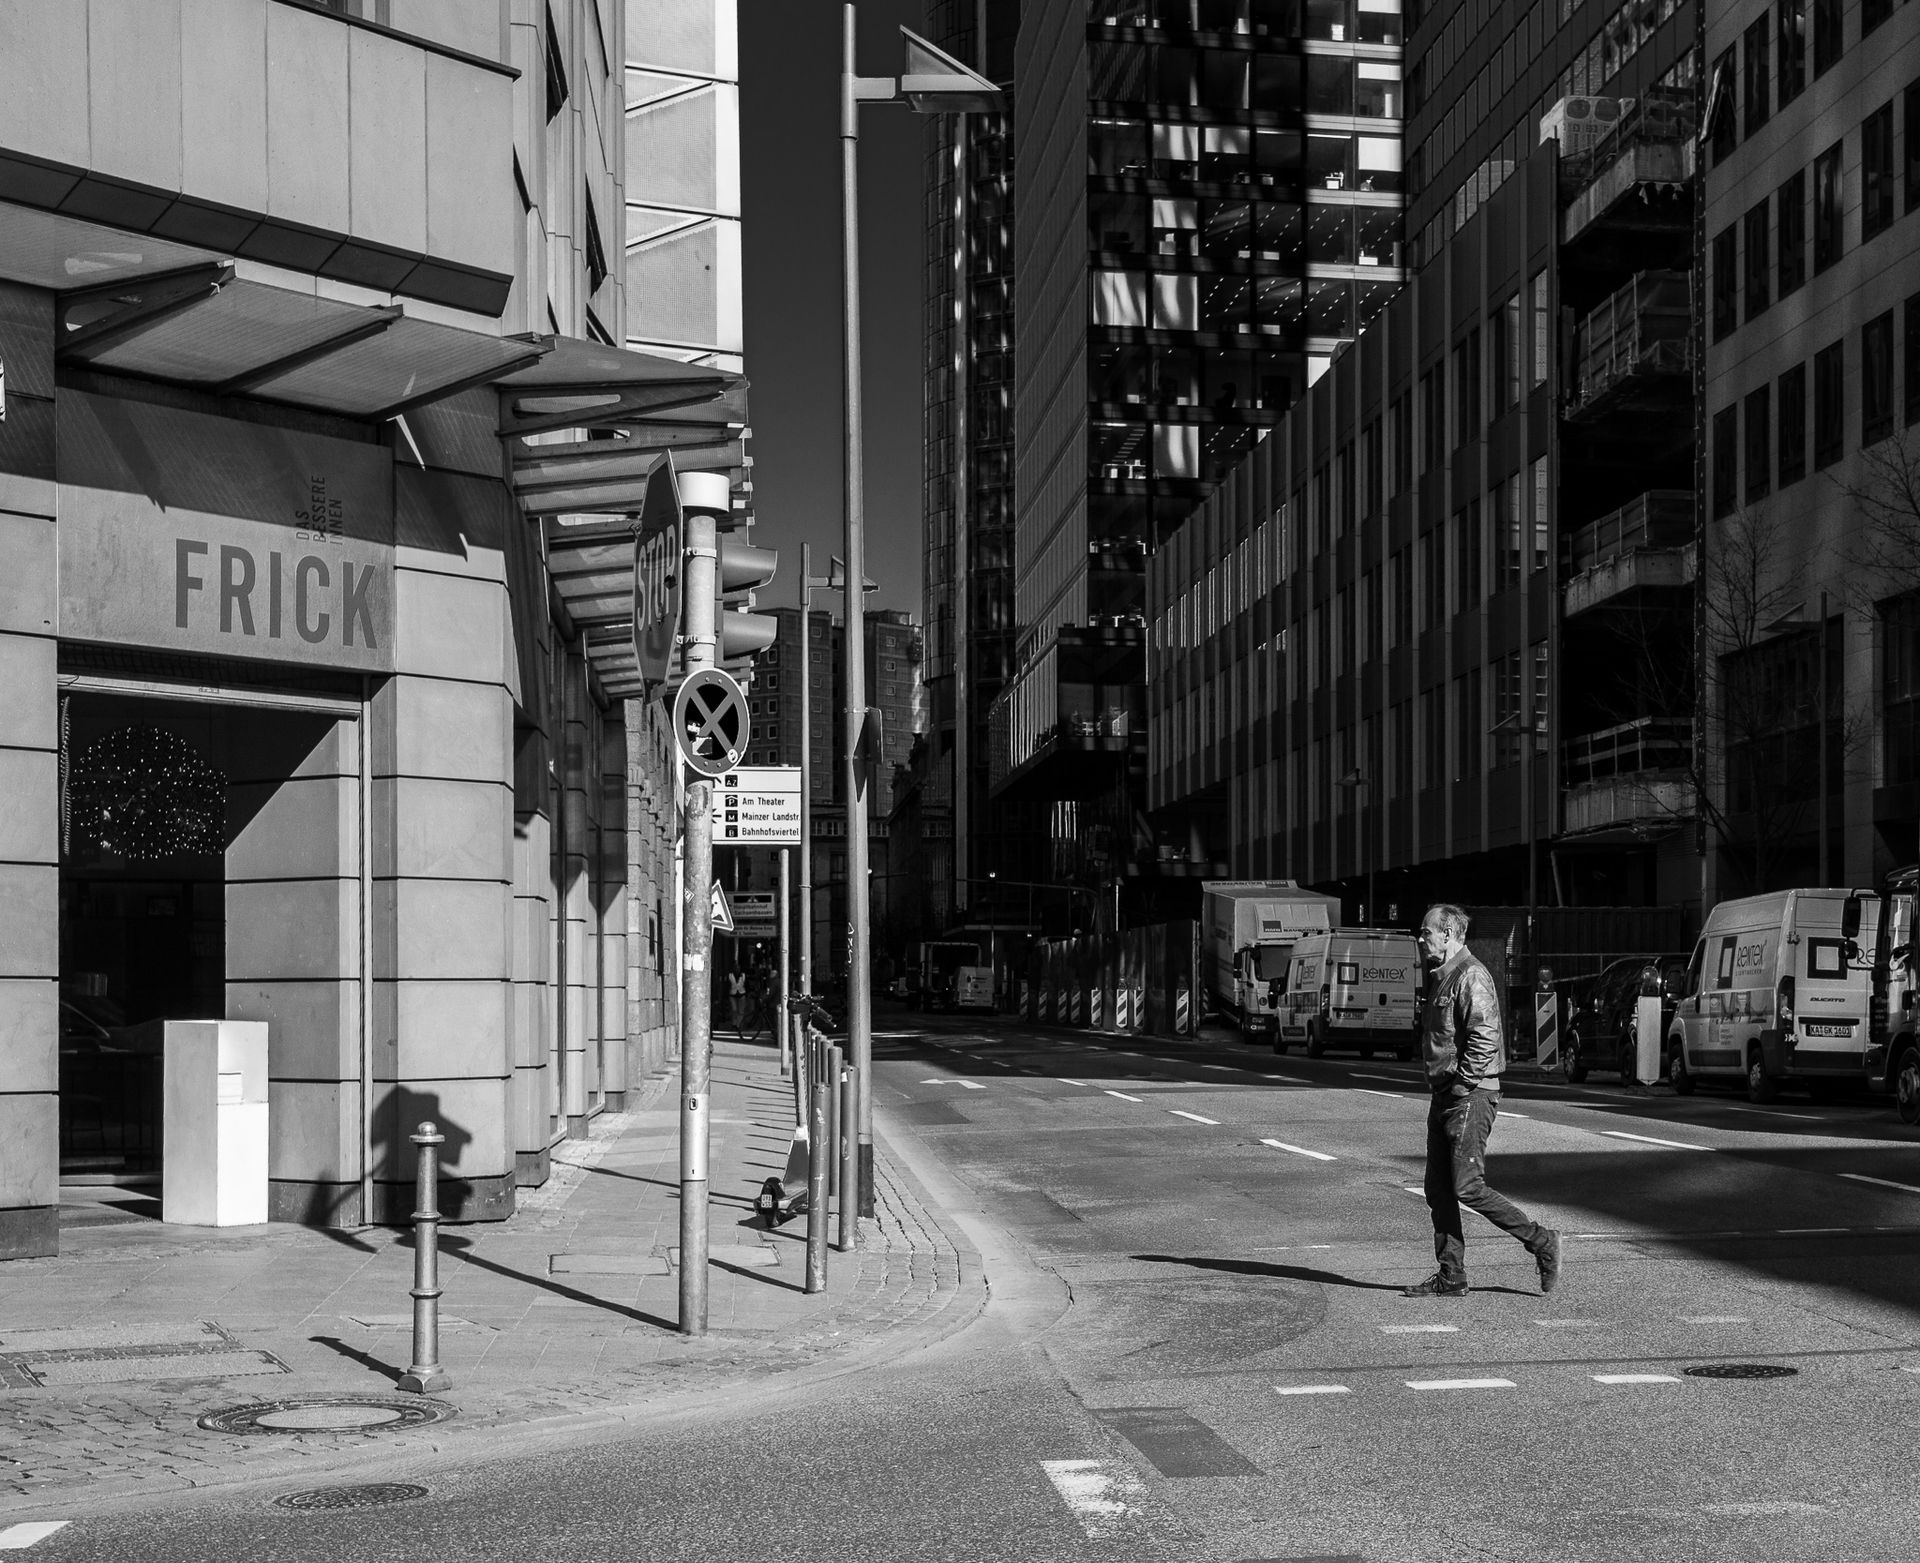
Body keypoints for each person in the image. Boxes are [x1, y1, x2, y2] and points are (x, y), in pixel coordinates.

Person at [1404, 903, 1561, 1298]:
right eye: (1423, 933)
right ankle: (1451, 1275)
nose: (1422, 939)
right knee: (1438, 1189)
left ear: (1451, 934)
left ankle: (1542, 1241)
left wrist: (1462, 1084)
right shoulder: (1441, 975)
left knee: (1467, 1186)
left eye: (1428, 932)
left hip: (1471, 1094)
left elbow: (1485, 1036)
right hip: (1446, 1093)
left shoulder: (1471, 974)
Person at [726, 967, 748, 1035]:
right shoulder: (730, 975)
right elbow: (727, 985)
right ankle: (734, 1024)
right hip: (732, 994)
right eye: (735, 968)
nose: (737, 970)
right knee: (734, 1010)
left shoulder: (743, 975)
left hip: (742, 994)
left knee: (741, 1010)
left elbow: (746, 984)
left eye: (738, 968)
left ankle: (738, 1024)